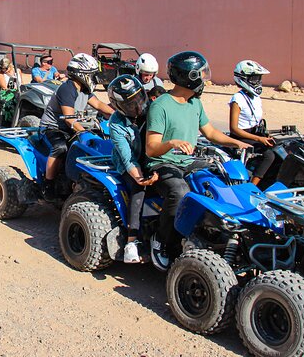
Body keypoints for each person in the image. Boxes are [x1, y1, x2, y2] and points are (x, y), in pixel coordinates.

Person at [145, 51, 250, 271]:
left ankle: (218, 234)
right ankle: (162, 241)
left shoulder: (195, 104)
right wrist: (172, 143)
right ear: (188, 76)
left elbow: (211, 132)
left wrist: (237, 143)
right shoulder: (161, 105)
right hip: (164, 163)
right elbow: (152, 148)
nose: (205, 79)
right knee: (180, 192)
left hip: (188, 161)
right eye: (201, 74)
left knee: (221, 178)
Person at [39, 53, 114, 201]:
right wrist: (84, 131)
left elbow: (99, 105)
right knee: (60, 148)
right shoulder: (67, 89)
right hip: (52, 128)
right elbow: (69, 118)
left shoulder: (84, 90)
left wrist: (118, 115)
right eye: (91, 75)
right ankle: (48, 185)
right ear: (82, 74)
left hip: (71, 129)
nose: (94, 78)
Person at [108, 75, 159, 263]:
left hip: (153, 158)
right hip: (130, 163)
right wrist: (140, 178)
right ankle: (132, 241)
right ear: (120, 107)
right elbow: (127, 158)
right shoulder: (116, 123)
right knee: (139, 189)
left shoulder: (154, 109)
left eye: (139, 99)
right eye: (130, 105)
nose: (138, 107)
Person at [229, 60, 276, 187]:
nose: (258, 82)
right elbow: (233, 128)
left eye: (258, 78)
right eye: (254, 78)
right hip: (241, 136)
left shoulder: (256, 97)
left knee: (280, 149)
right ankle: (251, 187)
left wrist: (264, 136)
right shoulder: (237, 99)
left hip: (255, 134)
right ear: (243, 79)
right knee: (269, 155)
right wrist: (259, 139)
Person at [0, 57, 21, 123]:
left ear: (10, 66)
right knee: (12, 102)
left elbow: (22, 83)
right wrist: (13, 90)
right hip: (7, 93)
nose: (4, 70)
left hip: (18, 91)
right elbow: (4, 87)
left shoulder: (18, 71)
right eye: (2, 68)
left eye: (6, 68)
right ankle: (9, 121)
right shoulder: (1, 74)